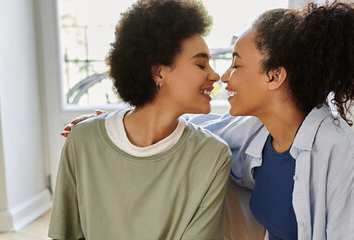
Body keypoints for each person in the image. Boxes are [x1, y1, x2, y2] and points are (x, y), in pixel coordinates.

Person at [66, 1, 354, 239]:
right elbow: (183, 128)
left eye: (236, 64)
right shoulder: (256, 133)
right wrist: (114, 122)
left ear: (274, 76)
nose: (224, 77)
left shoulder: (346, 161)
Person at [48, 0, 230, 239]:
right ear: (158, 72)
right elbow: (66, 235)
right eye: (200, 64)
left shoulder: (213, 156)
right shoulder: (82, 141)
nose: (215, 75)